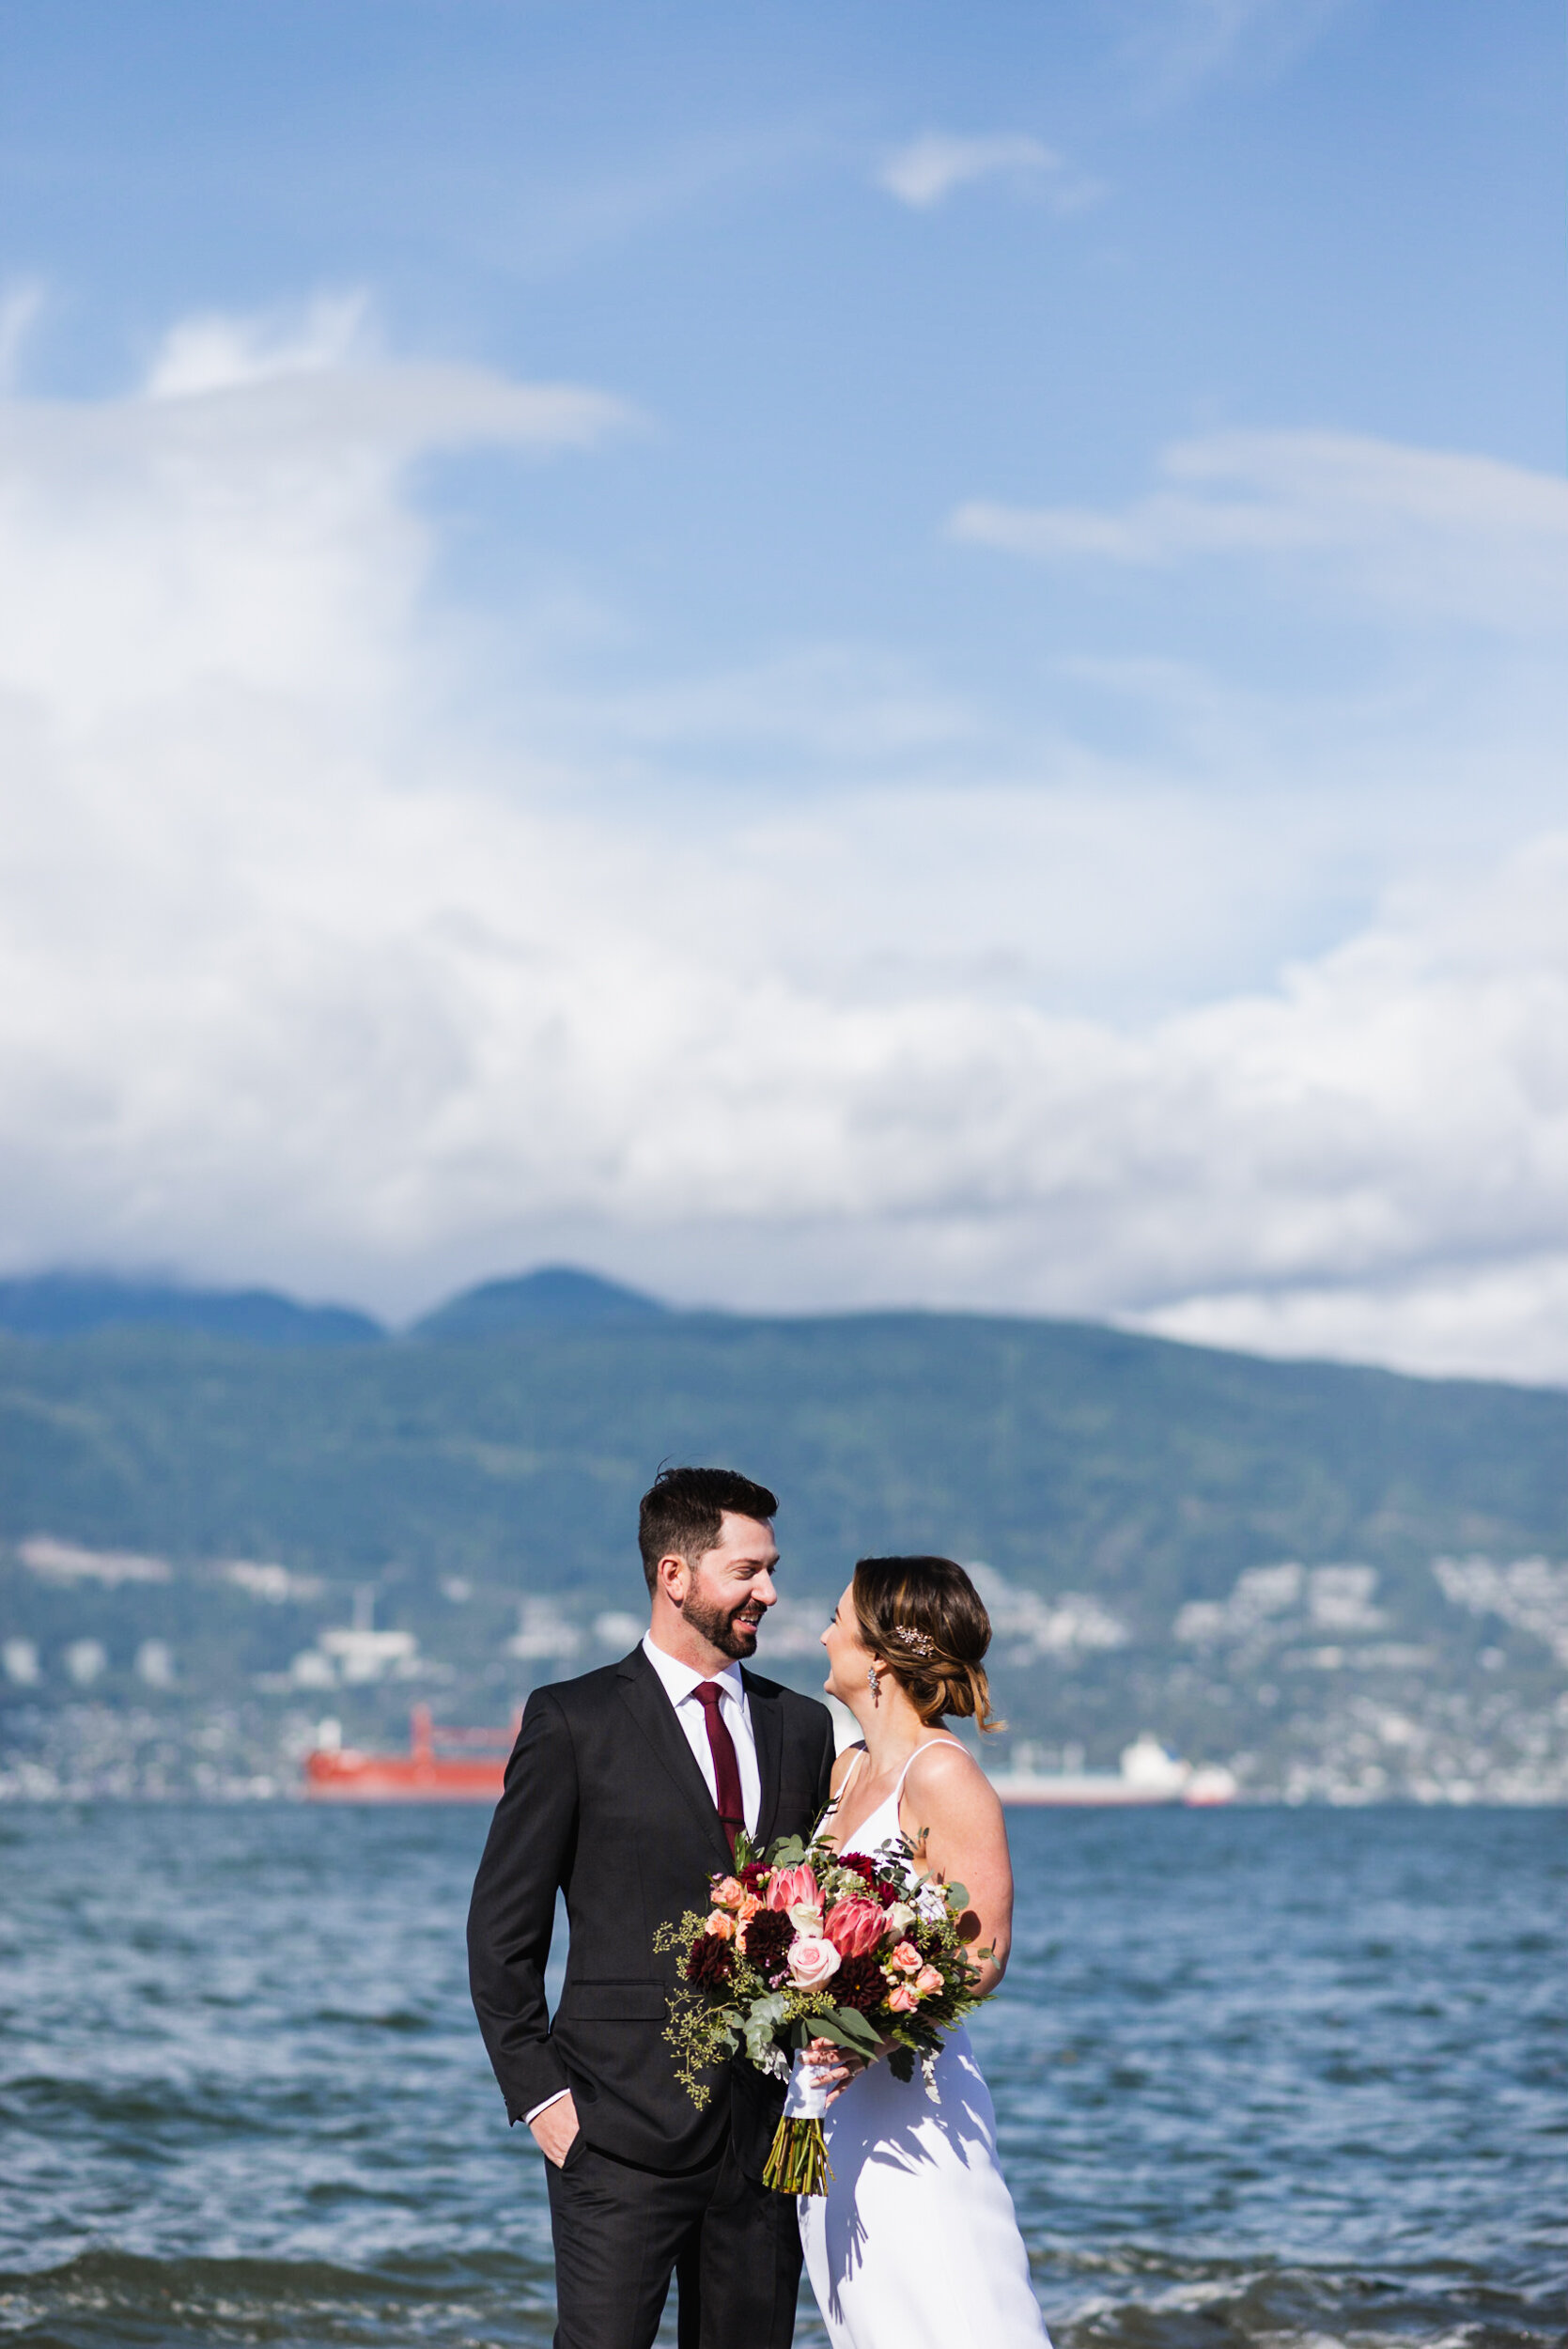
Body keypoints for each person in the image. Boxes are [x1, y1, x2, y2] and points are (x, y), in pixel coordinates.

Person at [467, 1465, 837, 2349]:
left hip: (769, 2133)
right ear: (674, 1575)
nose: (772, 1593)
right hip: (614, 2130)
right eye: (746, 1571)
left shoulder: (803, 1726)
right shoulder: (573, 1720)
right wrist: (539, 2094)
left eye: (772, 1568)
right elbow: (500, 1930)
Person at [799, 1555, 1051, 2349]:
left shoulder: (941, 1774)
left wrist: (869, 2035)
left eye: (838, 1618)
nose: (821, 1632)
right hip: (829, 2113)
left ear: (877, 1653)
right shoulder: (845, 1774)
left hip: (910, 2105)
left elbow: (982, 1955)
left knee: (950, 2316)